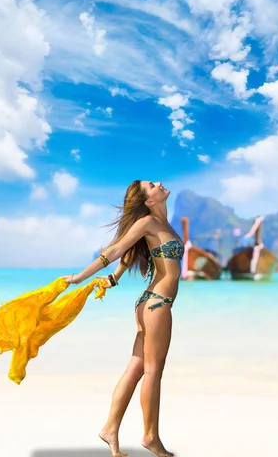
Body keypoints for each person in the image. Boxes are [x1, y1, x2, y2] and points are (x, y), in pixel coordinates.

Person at [62, 180, 183, 457]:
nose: (159, 184)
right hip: (158, 305)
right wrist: (80, 277)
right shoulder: (149, 222)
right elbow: (115, 249)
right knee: (153, 371)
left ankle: (110, 428)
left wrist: (116, 277)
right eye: (152, 185)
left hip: (148, 304)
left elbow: (129, 254)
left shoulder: (161, 225)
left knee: (136, 369)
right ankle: (151, 437)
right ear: (149, 200)